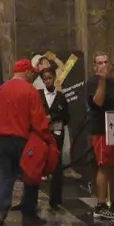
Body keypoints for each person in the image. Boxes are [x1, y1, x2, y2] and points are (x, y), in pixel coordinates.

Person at [0, 58, 51, 226]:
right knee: (31, 175)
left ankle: (0, 212)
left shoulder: (1, 90)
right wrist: (46, 137)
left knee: (4, 175)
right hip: (24, 140)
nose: (32, 74)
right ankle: (29, 214)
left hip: (2, 140)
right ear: (26, 71)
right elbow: (38, 121)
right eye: (31, 72)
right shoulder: (30, 91)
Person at [87, 52, 114, 220]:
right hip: (101, 130)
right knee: (104, 166)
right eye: (99, 63)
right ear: (95, 66)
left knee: (113, 166)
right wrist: (101, 80)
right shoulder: (94, 82)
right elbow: (98, 102)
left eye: (105, 62)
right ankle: (100, 205)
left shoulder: (112, 82)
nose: (103, 65)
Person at [39, 62, 68, 211]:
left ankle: (55, 200)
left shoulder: (61, 97)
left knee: (56, 165)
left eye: (50, 78)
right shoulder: (38, 95)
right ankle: (33, 200)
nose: (48, 81)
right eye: (45, 79)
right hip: (42, 134)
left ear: (54, 78)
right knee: (38, 165)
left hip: (57, 134)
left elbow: (67, 117)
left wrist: (54, 117)